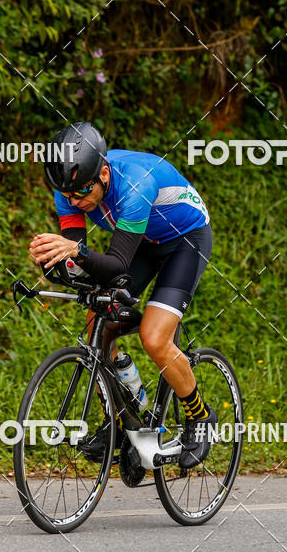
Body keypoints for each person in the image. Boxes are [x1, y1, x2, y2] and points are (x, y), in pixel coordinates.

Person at [29, 121, 216, 468]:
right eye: (67, 195)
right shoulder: (68, 189)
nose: (74, 201)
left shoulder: (135, 184)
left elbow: (115, 264)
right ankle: (120, 418)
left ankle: (200, 416)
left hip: (186, 241)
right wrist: (54, 261)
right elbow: (81, 260)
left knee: (154, 338)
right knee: (97, 321)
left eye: (82, 192)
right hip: (143, 241)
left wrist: (76, 252)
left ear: (103, 174)